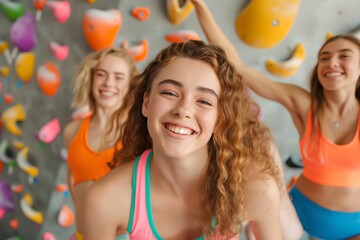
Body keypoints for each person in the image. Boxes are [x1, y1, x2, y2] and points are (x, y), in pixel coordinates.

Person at [190, 1, 360, 239]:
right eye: (324, 57)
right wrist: (200, 6)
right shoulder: (304, 104)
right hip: (298, 217)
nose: (331, 62)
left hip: (354, 226)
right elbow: (238, 67)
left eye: (344, 56)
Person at [82, 40, 283, 239]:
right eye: (170, 93)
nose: (183, 110)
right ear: (146, 102)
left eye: (204, 101)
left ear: (220, 118)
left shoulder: (256, 188)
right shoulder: (104, 199)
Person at [63, 47, 138, 240]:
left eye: (119, 77)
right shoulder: (72, 131)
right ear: (91, 79)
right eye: (101, 74)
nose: (108, 83)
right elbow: (73, 180)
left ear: (131, 85)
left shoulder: (139, 132)